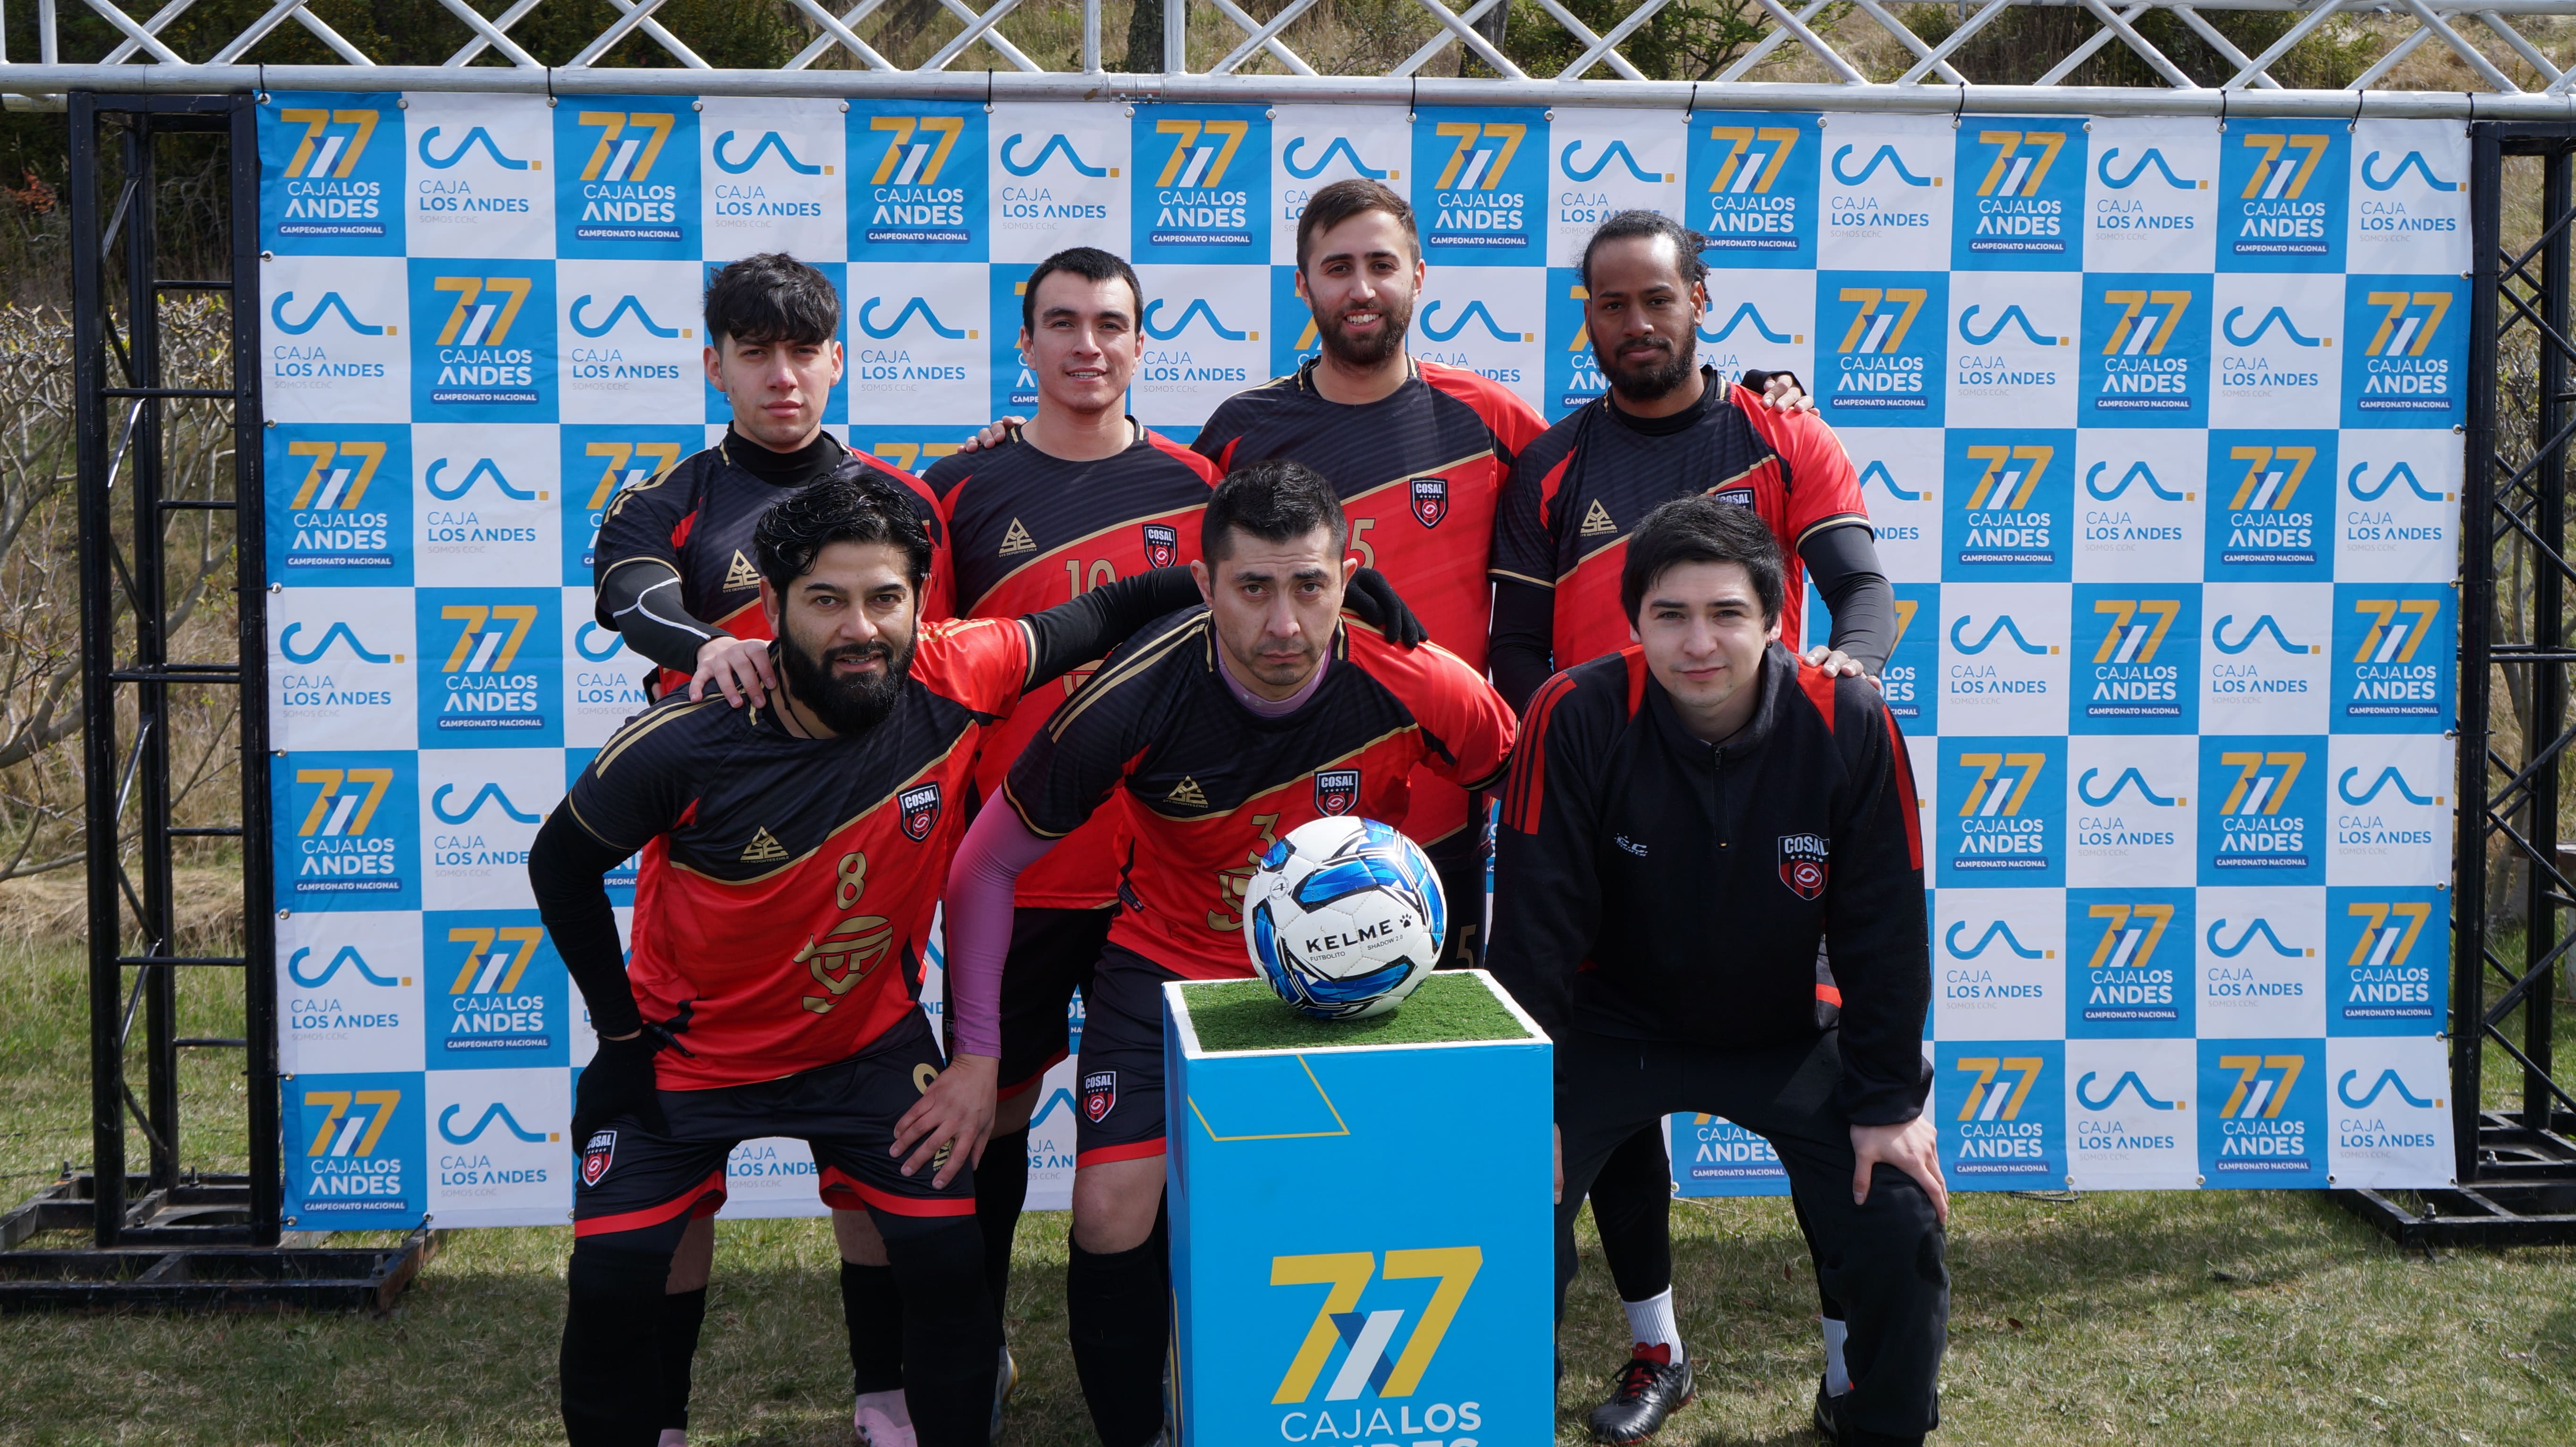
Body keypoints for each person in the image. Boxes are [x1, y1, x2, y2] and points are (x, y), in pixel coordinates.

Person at [939, 460, 1516, 1447]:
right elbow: (983, 867)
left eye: (1310, 586)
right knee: (1109, 1210)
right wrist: (979, 1053)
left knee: (1364, 1204)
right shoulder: (1130, 697)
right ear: (1204, 585)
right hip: (1170, 964)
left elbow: (1524, 792)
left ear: (1348, 578)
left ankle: (1365, 1404)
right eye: (1252, 588)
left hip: (1359, 975)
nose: (1284, 624)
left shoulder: (1419, 677)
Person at [1487, 209, 1899, 1442]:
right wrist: (1575, 755)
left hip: (1760, 814)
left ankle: (1852, 1371)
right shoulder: (1550, 464)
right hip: (1603, 818)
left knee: (1830, 1117)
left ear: (1700, 301)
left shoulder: (1782, 429)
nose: (1636, 322)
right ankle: (1654, 1347)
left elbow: (1861, 589)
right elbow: (1515, 651)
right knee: (1603, 1095)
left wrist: (1852, 674)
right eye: (1611, 304)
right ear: (1587, 318)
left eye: (1657, 298)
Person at [585, 251, 952, 1446]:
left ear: (837, 359)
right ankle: (665, 1416)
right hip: (715, 884)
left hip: (861, 867)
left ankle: (886, 1393)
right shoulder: (666, 501)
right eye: (755, 353)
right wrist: (706, 643)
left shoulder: (901, 497)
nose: (782, 376)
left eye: (803, 351)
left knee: (870, 1171)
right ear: (716, 365)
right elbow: (630, 597)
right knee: (678, 1192)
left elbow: (940, 644)